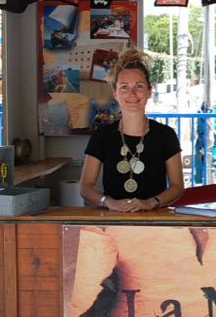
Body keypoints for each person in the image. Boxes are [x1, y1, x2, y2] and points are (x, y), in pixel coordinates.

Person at [79, 47, 184, 212]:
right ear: (115, 93)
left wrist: (152, 202)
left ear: (149, 91)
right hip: (115, 218)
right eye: (124, 87)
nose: (132, 93)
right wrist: (108, 202)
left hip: (156, 219)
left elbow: (177, 187)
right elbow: (85, 187)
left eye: (139, 86)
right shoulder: (102, 135)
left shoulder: (166, 135)